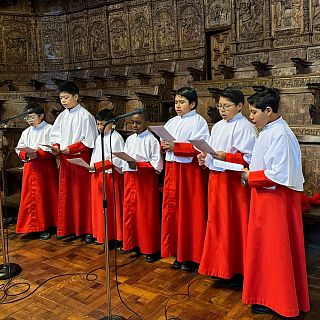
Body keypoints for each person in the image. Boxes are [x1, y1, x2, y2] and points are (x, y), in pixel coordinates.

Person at [241, 88, 310, 317]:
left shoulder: (280, 133)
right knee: (265, 250)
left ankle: (280, 301)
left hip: (276, 201)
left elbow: (278, 173)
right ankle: (267, 295)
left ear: (268, 111)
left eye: (253, 112)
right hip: (266, 197)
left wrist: (251, 176)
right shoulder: (270, 129)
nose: (251, 117)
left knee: (275, 251)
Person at [197, 87, 257, 285]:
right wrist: (204, 157)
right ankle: (219, 266)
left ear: (240, 106)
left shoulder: (245, 127)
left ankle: (237, 269)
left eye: (227, 106)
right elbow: (213, 151)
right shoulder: (218, 126)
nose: (222, 110)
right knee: (217, 224)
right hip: (217, 180)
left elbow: (250, 158)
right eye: (220, 106)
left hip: (234, 183)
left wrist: (226, 156)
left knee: (234, 224)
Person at [161, 87, 209, 272]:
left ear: (193, 103)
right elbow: (166, 144)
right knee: (172, 211)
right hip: (172, 168)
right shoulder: (172, 121)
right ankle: (176, 251)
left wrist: (176, 146)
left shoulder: (199, 122)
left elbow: (200, 148)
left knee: (189, 212)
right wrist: (165, 145)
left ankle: (191, 255)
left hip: (189, 171)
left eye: (182, 102)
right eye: (176, 102)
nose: (178, 105)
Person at [50, 81, 98, 243]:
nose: (63, 101)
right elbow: (55, 136)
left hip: (80, 158)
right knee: (67, 193)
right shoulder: (62, 116)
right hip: (65, 158)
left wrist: (71, 148)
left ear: (76, 97)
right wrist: (56, 147)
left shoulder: (86, 116)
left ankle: (87, 229)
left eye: (66, 97)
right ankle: (67, 227)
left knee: (82, 195)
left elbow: (89, 140)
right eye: (61, 98)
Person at [121, 109, 163, 262]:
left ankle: (149, 248)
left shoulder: (152, 140)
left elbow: (156, 165)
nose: (134, 125)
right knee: (130, 213)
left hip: (145, 181)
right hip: (130, 178)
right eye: (132, 122)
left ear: (147, 123)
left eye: (138, 123)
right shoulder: (130, 139)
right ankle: (132, 244)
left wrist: (138, 165)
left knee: (145, 214)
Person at [15, 102, 58, 240]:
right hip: (30, 167)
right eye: (27, 118)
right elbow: (19, 148)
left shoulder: (50, 129)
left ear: (41, 116)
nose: (29, 120)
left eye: (32, 117)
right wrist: (26, 154)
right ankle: (32, 226)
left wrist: (39, 154)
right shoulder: (26, 132)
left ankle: (47, 225)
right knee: (30, 197)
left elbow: (54, 147)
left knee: (45, 196)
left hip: (45, 167)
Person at [89, 109, 124, 246]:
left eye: (103, 124)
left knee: (110, 207)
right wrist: (93, 166)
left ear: (112, 123)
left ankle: (113, 236)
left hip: (111, 176)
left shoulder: (116, 138)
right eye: (98, 124)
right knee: (99, 208)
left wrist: (98, 165)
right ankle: (101, 234)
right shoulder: (99, 137)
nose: (99, 127)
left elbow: (117, 160)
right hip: (98, 173)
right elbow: (96, 154)